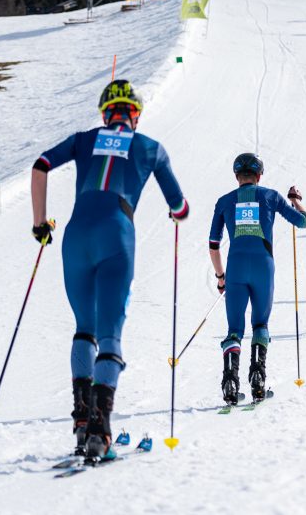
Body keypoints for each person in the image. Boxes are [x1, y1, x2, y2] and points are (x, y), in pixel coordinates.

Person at [31, 79, 190, 461]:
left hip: (75, 234)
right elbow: (181, 206)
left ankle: (82, 421)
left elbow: (41, 165)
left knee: (84, 328)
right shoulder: (150, 147)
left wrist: (40, 224)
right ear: (134, 114)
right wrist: (176, 211)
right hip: (117, 232)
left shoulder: (84, 139)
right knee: (111, 333)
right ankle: (100, 430)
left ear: (105, 112)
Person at [209, 154, 306, 403]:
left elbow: (213, 245)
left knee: (234, 330)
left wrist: (221, 277)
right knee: (260, 325)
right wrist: (295, 201)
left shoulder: (224, 201)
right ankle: (258, 381)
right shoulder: (271, 196)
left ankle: (230, 385)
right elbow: (303, 222)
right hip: (264, 266)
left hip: (236, 267)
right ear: (259, 175)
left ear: (236, 176)